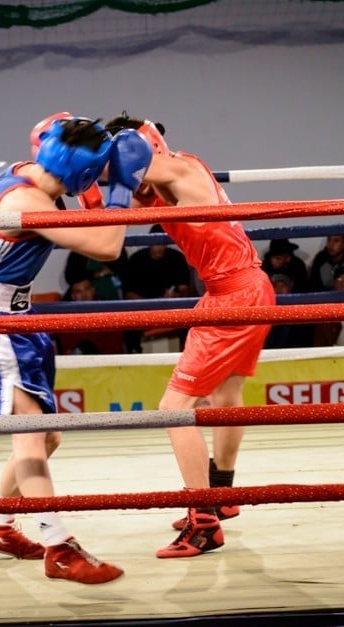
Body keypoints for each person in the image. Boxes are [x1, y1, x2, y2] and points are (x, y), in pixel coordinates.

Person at [0, 117, 151, 584]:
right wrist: (118, 187)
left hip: (20, 320)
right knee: (31, 434)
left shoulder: (30, 172)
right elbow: (108, 246)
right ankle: (58, 545)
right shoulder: (28, 201)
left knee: (48, 437)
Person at [105, 112, 274, 558]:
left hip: (236, 296)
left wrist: (108, 159)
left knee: (174, 407)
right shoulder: (166, 180)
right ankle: (221, 496)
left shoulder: (175, 169)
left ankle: (203, 523)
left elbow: (135, 168)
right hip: (243, 289)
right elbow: (111, 224)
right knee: (225, 394)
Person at [122, 223, 193, 352]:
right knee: (127, 323)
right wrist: (149, 305)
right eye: (156, 243)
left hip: (172, 310)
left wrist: (174, 297)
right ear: (149, 242)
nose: (159, 248)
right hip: (142, 310)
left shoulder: (177, 259)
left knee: (189, 320)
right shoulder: (136, 260)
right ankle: (134, 354)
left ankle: (186, 352)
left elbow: (185, 289)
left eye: (162, 243)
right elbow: (128, 293)